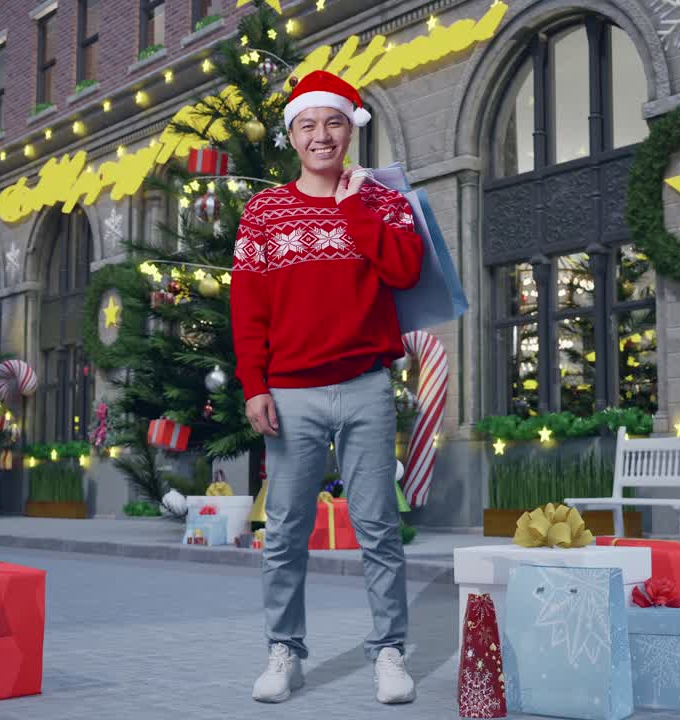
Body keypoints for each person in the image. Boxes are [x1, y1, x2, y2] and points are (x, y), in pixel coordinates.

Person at [230, 70, 424, 705]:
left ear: (350, 129)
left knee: (379, 527)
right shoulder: (264, 212)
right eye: (308, 124)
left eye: (333, 122)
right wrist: (254, 384)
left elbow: (405, 269)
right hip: (290, 393)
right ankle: (284, 651)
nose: (321, 135)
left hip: (366, 385)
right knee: (286, 530)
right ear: (292, 136)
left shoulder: (383, 201)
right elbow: (248, 307)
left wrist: (352, 208)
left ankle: (390, 651)